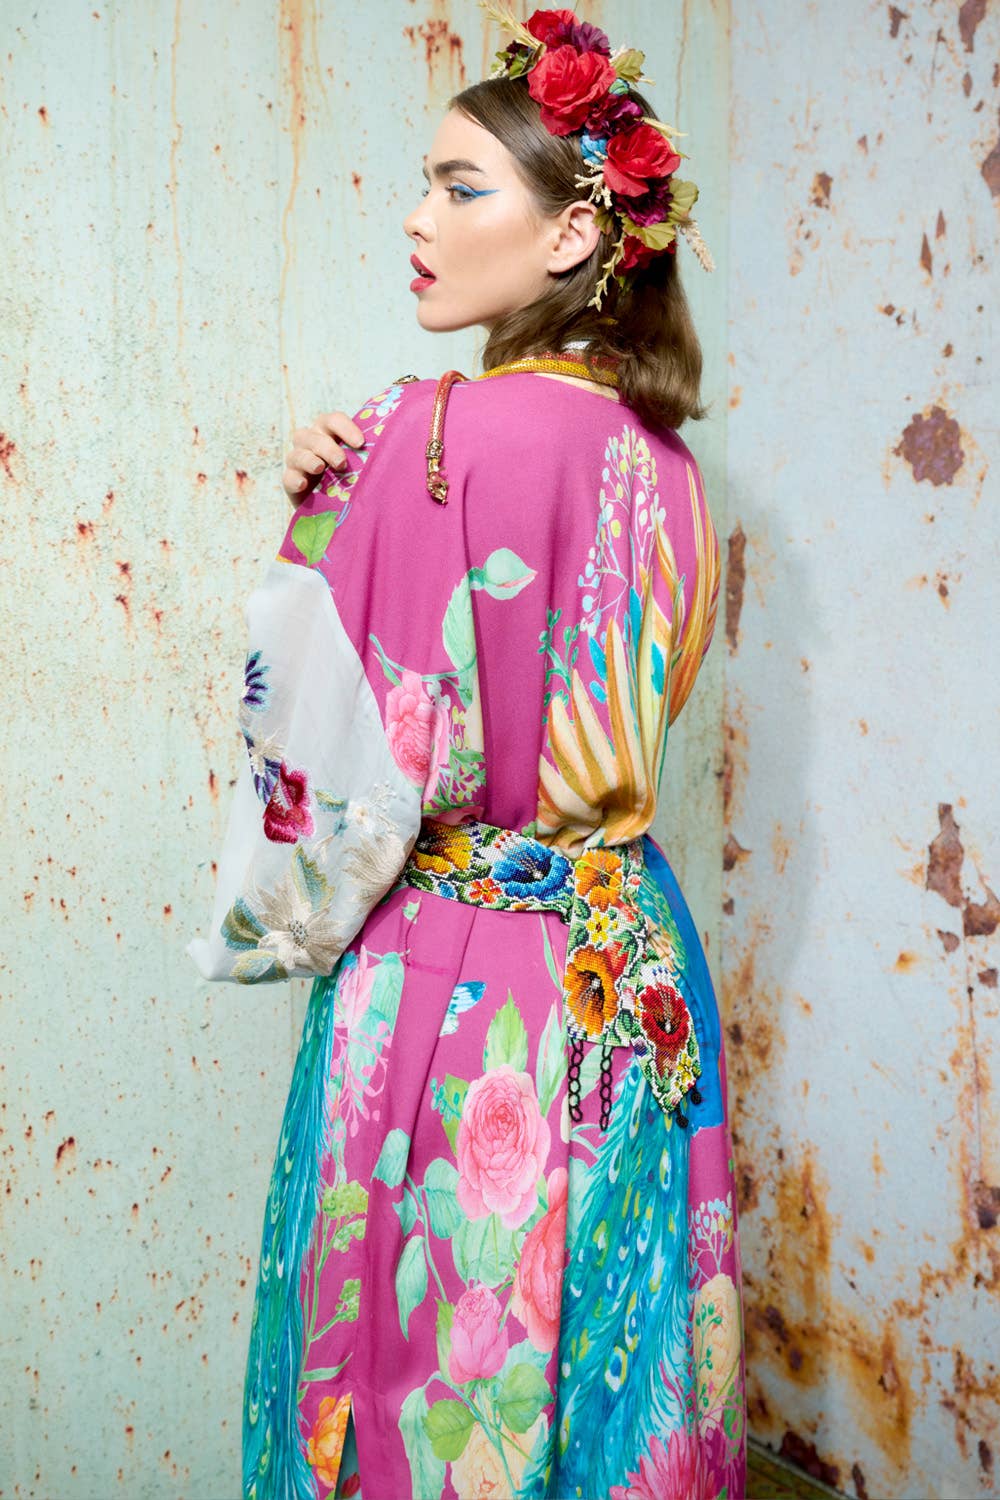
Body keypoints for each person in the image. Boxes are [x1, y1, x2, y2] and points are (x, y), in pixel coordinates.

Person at [189, 6, 745, 1498]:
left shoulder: (414, 436)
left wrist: (325, 509)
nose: (421, 221)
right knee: (612, 1365)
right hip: (635, 972)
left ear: (575, 233)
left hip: (461, 969)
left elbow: (321, 778)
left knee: (423, 1370)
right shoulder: (678, 469)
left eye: (461, 187)